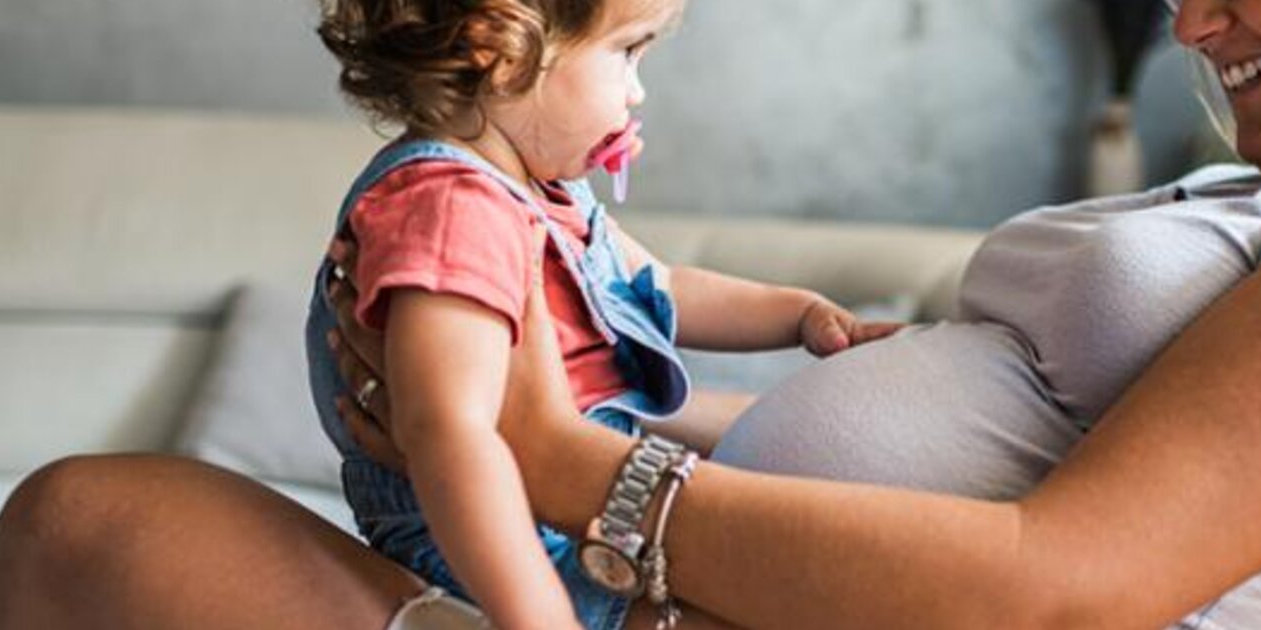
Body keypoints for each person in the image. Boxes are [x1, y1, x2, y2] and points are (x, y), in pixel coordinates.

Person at [0, 0, 1261, 628]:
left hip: (677, 601)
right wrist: (627, 429)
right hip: (661, 566)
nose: (1193, 22)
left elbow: (1072, 586)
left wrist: (558, 462)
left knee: (84, 529)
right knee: (79, 538)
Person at [301, 0, 902, 627]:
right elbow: (450, 434)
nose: (637, 92)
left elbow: (660, 284)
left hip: (567, 515)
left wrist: (799, 314)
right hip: (498, 553)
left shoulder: (537, 191)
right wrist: (537, 616)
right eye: (627, 52)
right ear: (499, 49)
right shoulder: (453, 208)